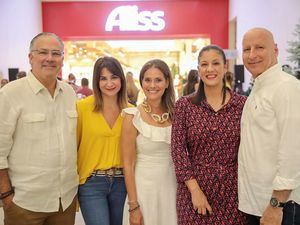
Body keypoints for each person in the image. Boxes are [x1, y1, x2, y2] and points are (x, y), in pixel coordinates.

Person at [0, 32, 78, 225]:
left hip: (64, 201)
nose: (50, 59)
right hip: (25, 203)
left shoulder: (69, 93)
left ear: (62, 58)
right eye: (43, 52)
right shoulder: (11, 93)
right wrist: (6, 195)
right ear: (30, 57)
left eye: (56, 53)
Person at [171, 45, 247, 225]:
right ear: (198, 69)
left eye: (215, 63)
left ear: (225, 66)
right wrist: (195, 190)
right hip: (193, 193)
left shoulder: (242, 105)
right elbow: (178, 151)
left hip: (233, 194)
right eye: (204, 64)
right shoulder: (184, 105)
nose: (210, 69)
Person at [238, 27, 300, 225]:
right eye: (247, 49)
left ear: (275, 50)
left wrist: (276, 204)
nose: (252, 55)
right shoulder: (259, 88)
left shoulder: (286, 87)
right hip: (258, 203)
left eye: (260, 47)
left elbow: (293, 150)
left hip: (280, 207)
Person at [122, 59, 177, 225]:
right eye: (147, 80)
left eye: (158, 80)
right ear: (141, 83)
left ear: (167, 82)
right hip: (143, 192)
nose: (152, 85)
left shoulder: (178, 114)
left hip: (173, 190)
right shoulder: (132, 116)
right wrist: (133, 206)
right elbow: (127, 164)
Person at [77, 56, 128, 225]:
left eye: (114, 77)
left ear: (121, 79)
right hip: (91, 182)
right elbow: (74, 147)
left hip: (121, 183)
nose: (109, 83)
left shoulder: (131, 111)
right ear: (96, 82)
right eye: (103, 78)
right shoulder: (83, 108)